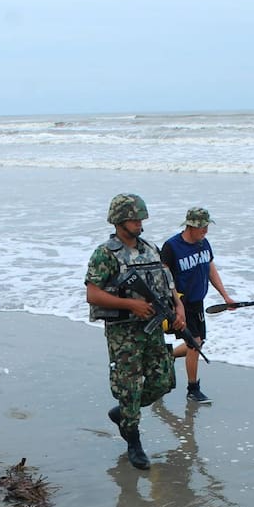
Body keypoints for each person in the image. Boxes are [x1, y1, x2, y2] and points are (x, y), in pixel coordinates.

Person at [85, 193, 185, 470]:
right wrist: (130, 304)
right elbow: (92, 294)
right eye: (133, 218)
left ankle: (124, 413)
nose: (139, 223)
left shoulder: (150, 248)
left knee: (164, 381)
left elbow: (167, 283)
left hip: (152, 328)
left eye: (141, 218)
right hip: (123, 332)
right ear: (119, 221)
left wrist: (179, 307)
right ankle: (133, 441)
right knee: (128, 388)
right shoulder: (105, 254)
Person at [161, 206, 236, 403]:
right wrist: (174, 306)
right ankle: (193, 389)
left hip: (197, 302)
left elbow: (211, 269)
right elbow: (163, 278)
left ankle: (167, 354)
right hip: (180, 302)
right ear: (190, 226)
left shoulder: (204, 244)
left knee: (198, 342)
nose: (205, 230)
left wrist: (225, 297)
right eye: (201, 226)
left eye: (206, 226)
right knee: (195, 344)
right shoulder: (172, 247)